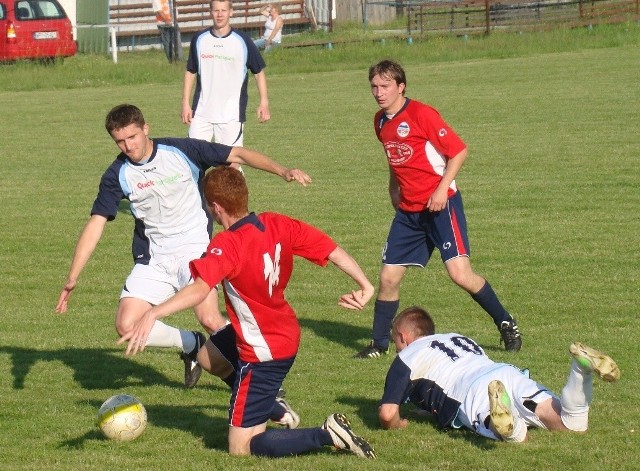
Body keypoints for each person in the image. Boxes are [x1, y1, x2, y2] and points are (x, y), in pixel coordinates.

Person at [119, 166, 377, 459]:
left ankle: (327, 434)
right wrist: (365, 284)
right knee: (207, 357)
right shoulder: (275, 223)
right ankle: (273, 407)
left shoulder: (228, 245)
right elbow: (329, 248)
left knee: (242, 448)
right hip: (278, 331)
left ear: (215, 207)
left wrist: (152, 314)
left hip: (263, 351)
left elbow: (199, 290)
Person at [55, 104, 311, 390]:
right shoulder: (118, 174)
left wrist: (283, 170)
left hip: (196, 250)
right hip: (154, 259)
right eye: (120, 141)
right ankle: (193, 345)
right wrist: (72, 277)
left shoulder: (182, 151)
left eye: (132, 137)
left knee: (211, 318)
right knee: (127, 325)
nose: (128, 146)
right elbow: (96, 224)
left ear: (145, 128)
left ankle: (258, 385)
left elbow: (237, 154)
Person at [355, 59, 522, 358]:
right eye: (374, 87)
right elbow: (396, 157)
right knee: (388, 278)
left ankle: (505, 321)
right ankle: (378, 345)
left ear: (401, 86)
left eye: (386, 86)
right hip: (408, 212)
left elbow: (458, 151)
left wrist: (442, 188)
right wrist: (394, 186)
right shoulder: (379, 121)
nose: (379, 92)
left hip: (441, 206)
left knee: (460, 274)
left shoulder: (422, 114)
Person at [379, 306, 620, 442]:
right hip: (504, 372)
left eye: (396, 343)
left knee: (515, 437)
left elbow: (388, 414)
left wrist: (399, 424)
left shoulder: (408, 356)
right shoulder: (457, 338)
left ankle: (511, 425)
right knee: (571, 425)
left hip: (471, 392)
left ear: (403, 337)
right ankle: (581, 370)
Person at [181, 0, 270, 151]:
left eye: (223, 10)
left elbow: (258, 72)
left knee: (231, 166)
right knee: (192, 161)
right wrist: (185, 103)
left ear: (231, 12)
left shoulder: (243, 41)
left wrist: (264, 102)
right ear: (211, 12)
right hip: (202, 114)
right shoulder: (199, 39)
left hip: (231, 116)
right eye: (216, 10)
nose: (220, 14)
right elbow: (191, 72)